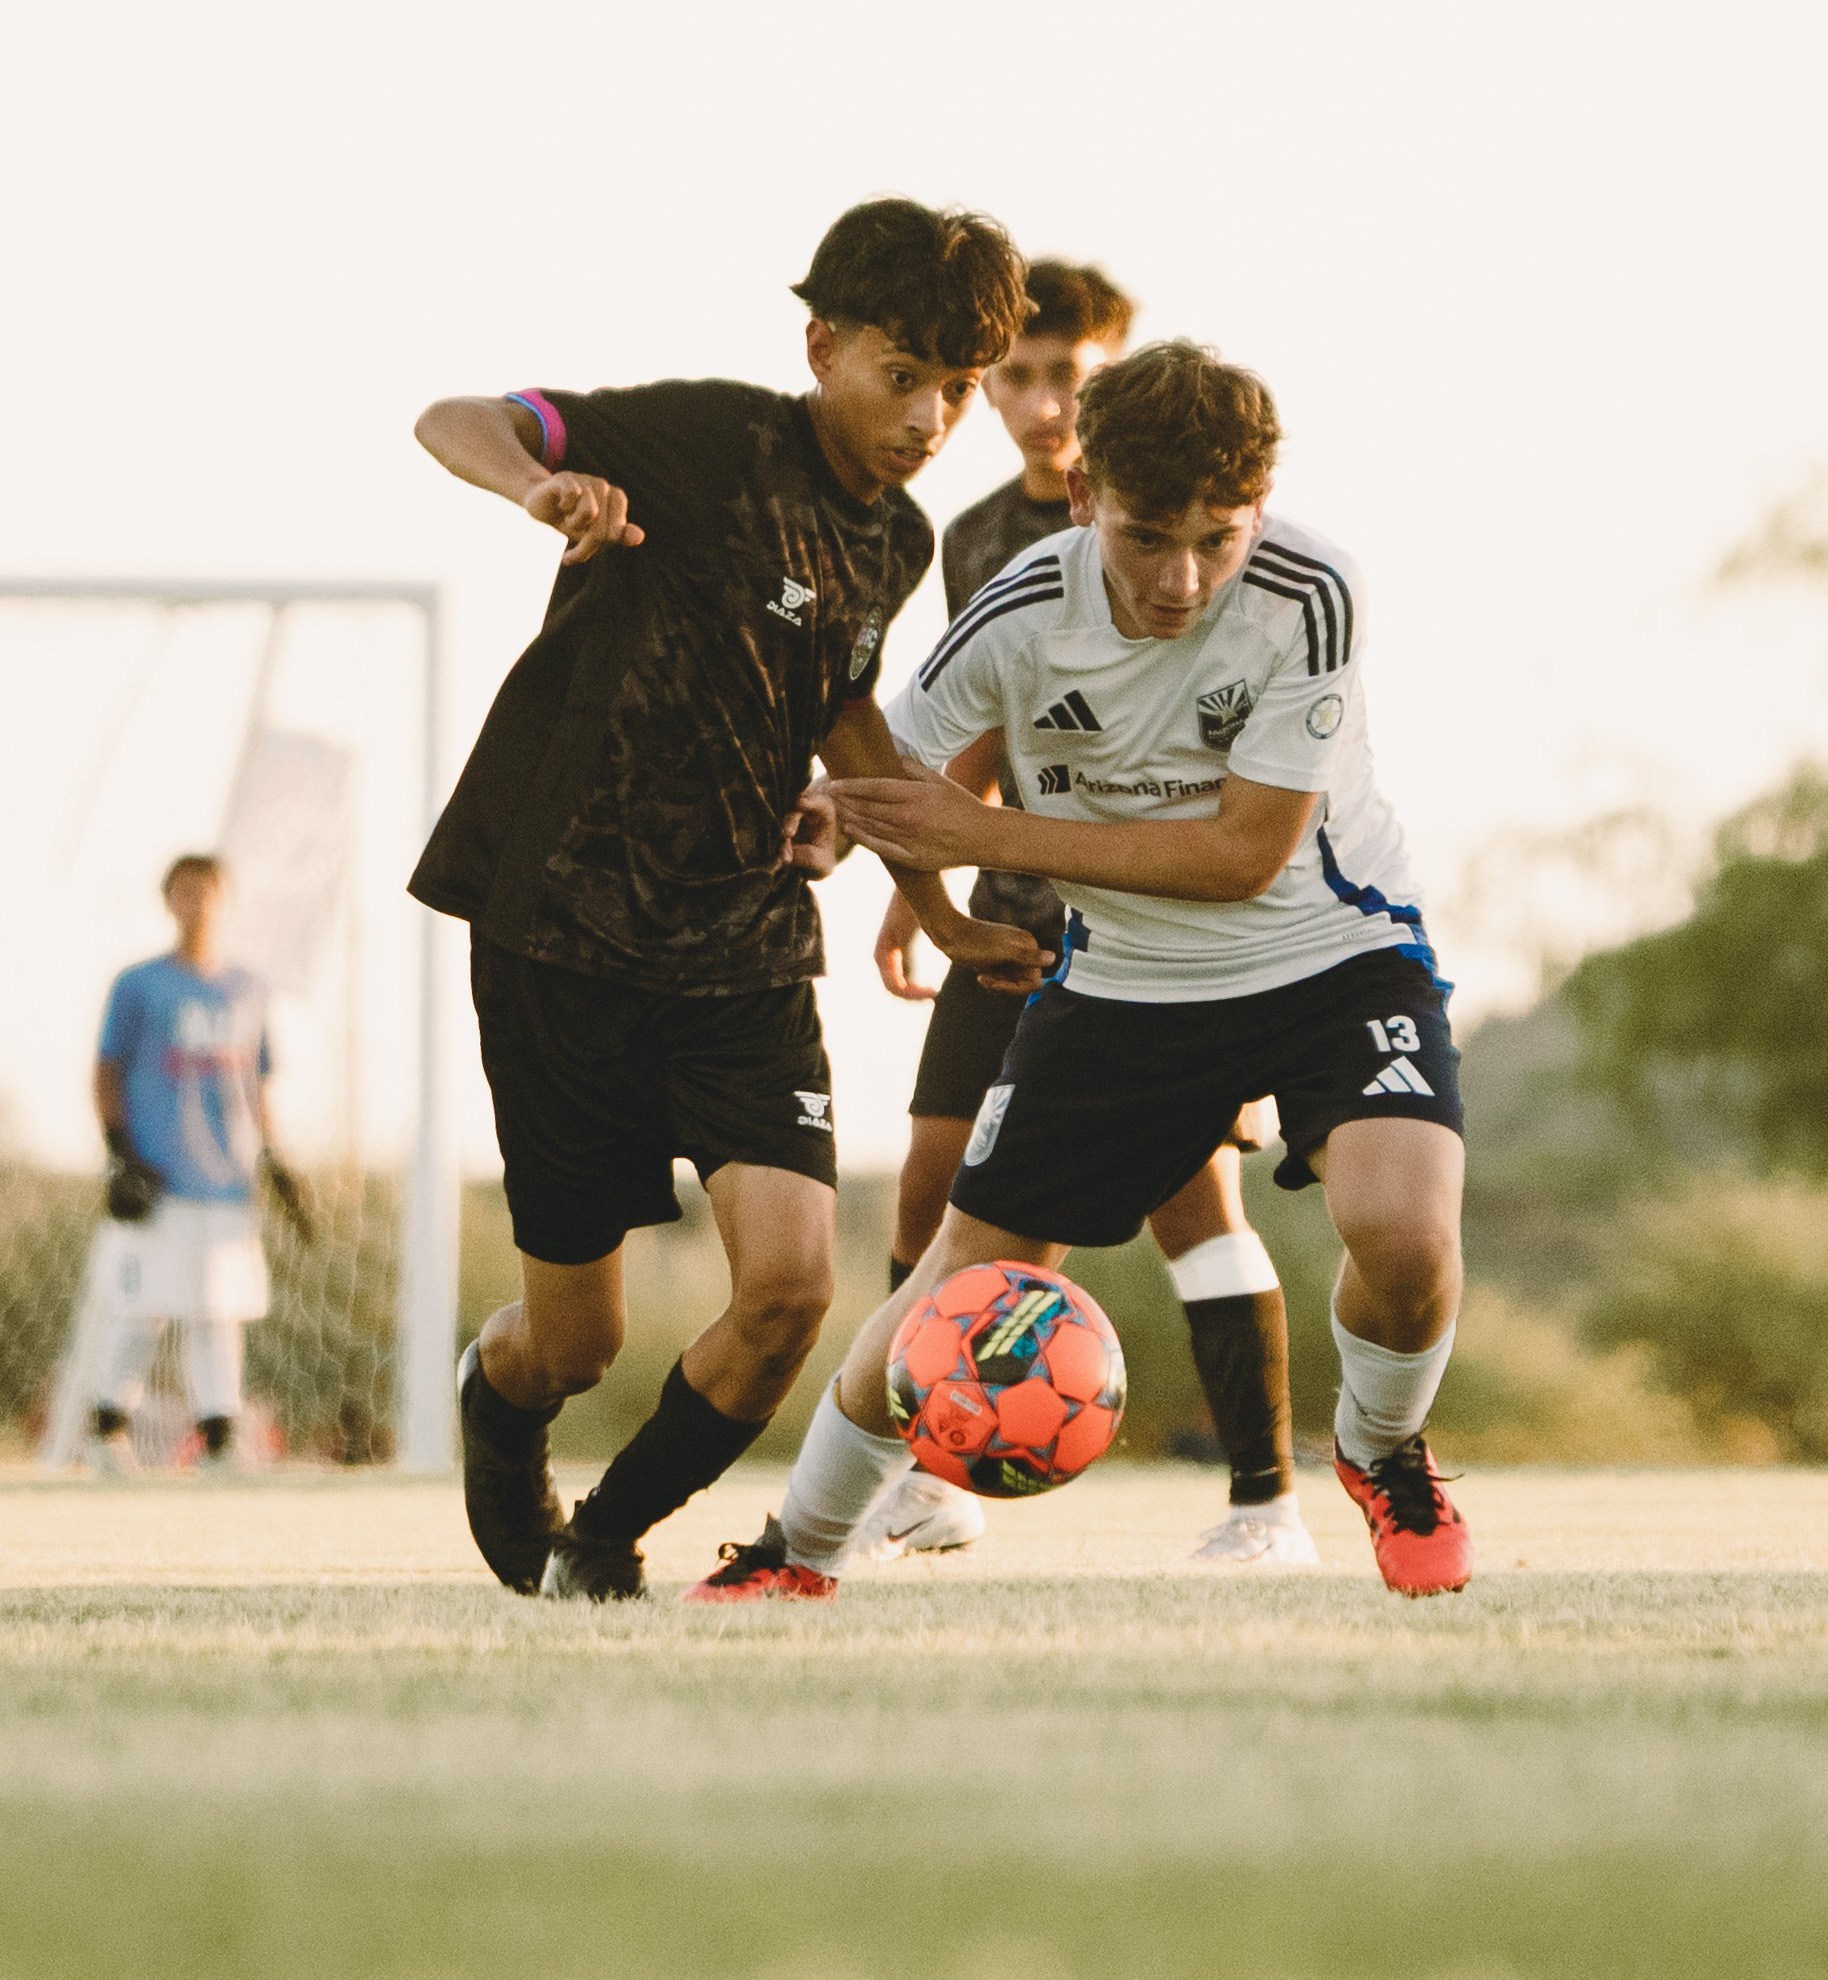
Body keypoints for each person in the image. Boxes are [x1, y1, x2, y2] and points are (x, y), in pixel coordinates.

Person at [686, 339, 1472, 1604]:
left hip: (1333, 951)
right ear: (1088, 489)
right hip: (1125, 988)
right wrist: (836, 818)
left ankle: (1380, 1449)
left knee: (1404, 1231)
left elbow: (1241, 854)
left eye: (1216, 538)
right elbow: (895, 767)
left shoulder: (1310, 588)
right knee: (961, 1276)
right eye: (1148, 535)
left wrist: (979, 833)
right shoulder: (1017, 607)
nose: (1180, 577)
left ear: (1257, 506)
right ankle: (798, 1553)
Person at [409, 197, 1043, 1603]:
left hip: (745, 949)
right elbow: (456, 415)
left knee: (792, 1292)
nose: (931, 416)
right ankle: (500, 1403)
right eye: (903, 376)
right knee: (572, 1341)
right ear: (822, 343)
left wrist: (938, 912)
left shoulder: (901, 541)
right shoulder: (706, 440)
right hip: (562, 936)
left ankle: (605, 1539)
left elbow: (844, 715)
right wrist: (541, 490)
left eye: (960, 389)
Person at [856, 260, 1312, 1570]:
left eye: (1073, 373)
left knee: (1189, 1203)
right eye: (1021, 375)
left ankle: (1265, 1501)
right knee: (935, 1188)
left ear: (1115, 378)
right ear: (986, 387)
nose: (1047, 398)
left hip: (1156, 923)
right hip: (1007, 913)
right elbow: (977, 723)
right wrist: (917, 892)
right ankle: (923, 1480)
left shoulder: (1198, 538)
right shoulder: (977, 540)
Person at [89, 854, 309, 1471]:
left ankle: (219, 1442)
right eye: (184, 892)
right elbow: (106, 1072)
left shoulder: (249, 987)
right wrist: (120, 1153)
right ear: (167, 900)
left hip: (228, 1181)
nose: (196, 904)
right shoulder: (138, 984)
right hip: (159, 1178)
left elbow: (258, 1082)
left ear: (225, 899)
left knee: (222, 1309)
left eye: (207, 892)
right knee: (143, 1307)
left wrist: (276, 1159)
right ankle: (106, 1433)